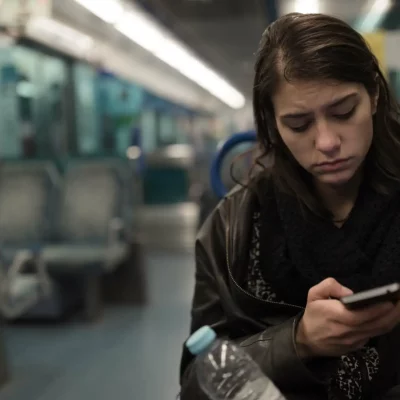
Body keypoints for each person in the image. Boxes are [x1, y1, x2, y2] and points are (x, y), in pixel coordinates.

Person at [179, 13, 400, 400]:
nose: (327, 142)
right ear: (273, 124)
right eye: (299, 124)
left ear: (375, 95)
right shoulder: (233, 228)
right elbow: (197, 382)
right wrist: (298, 342)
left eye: (344, 111)